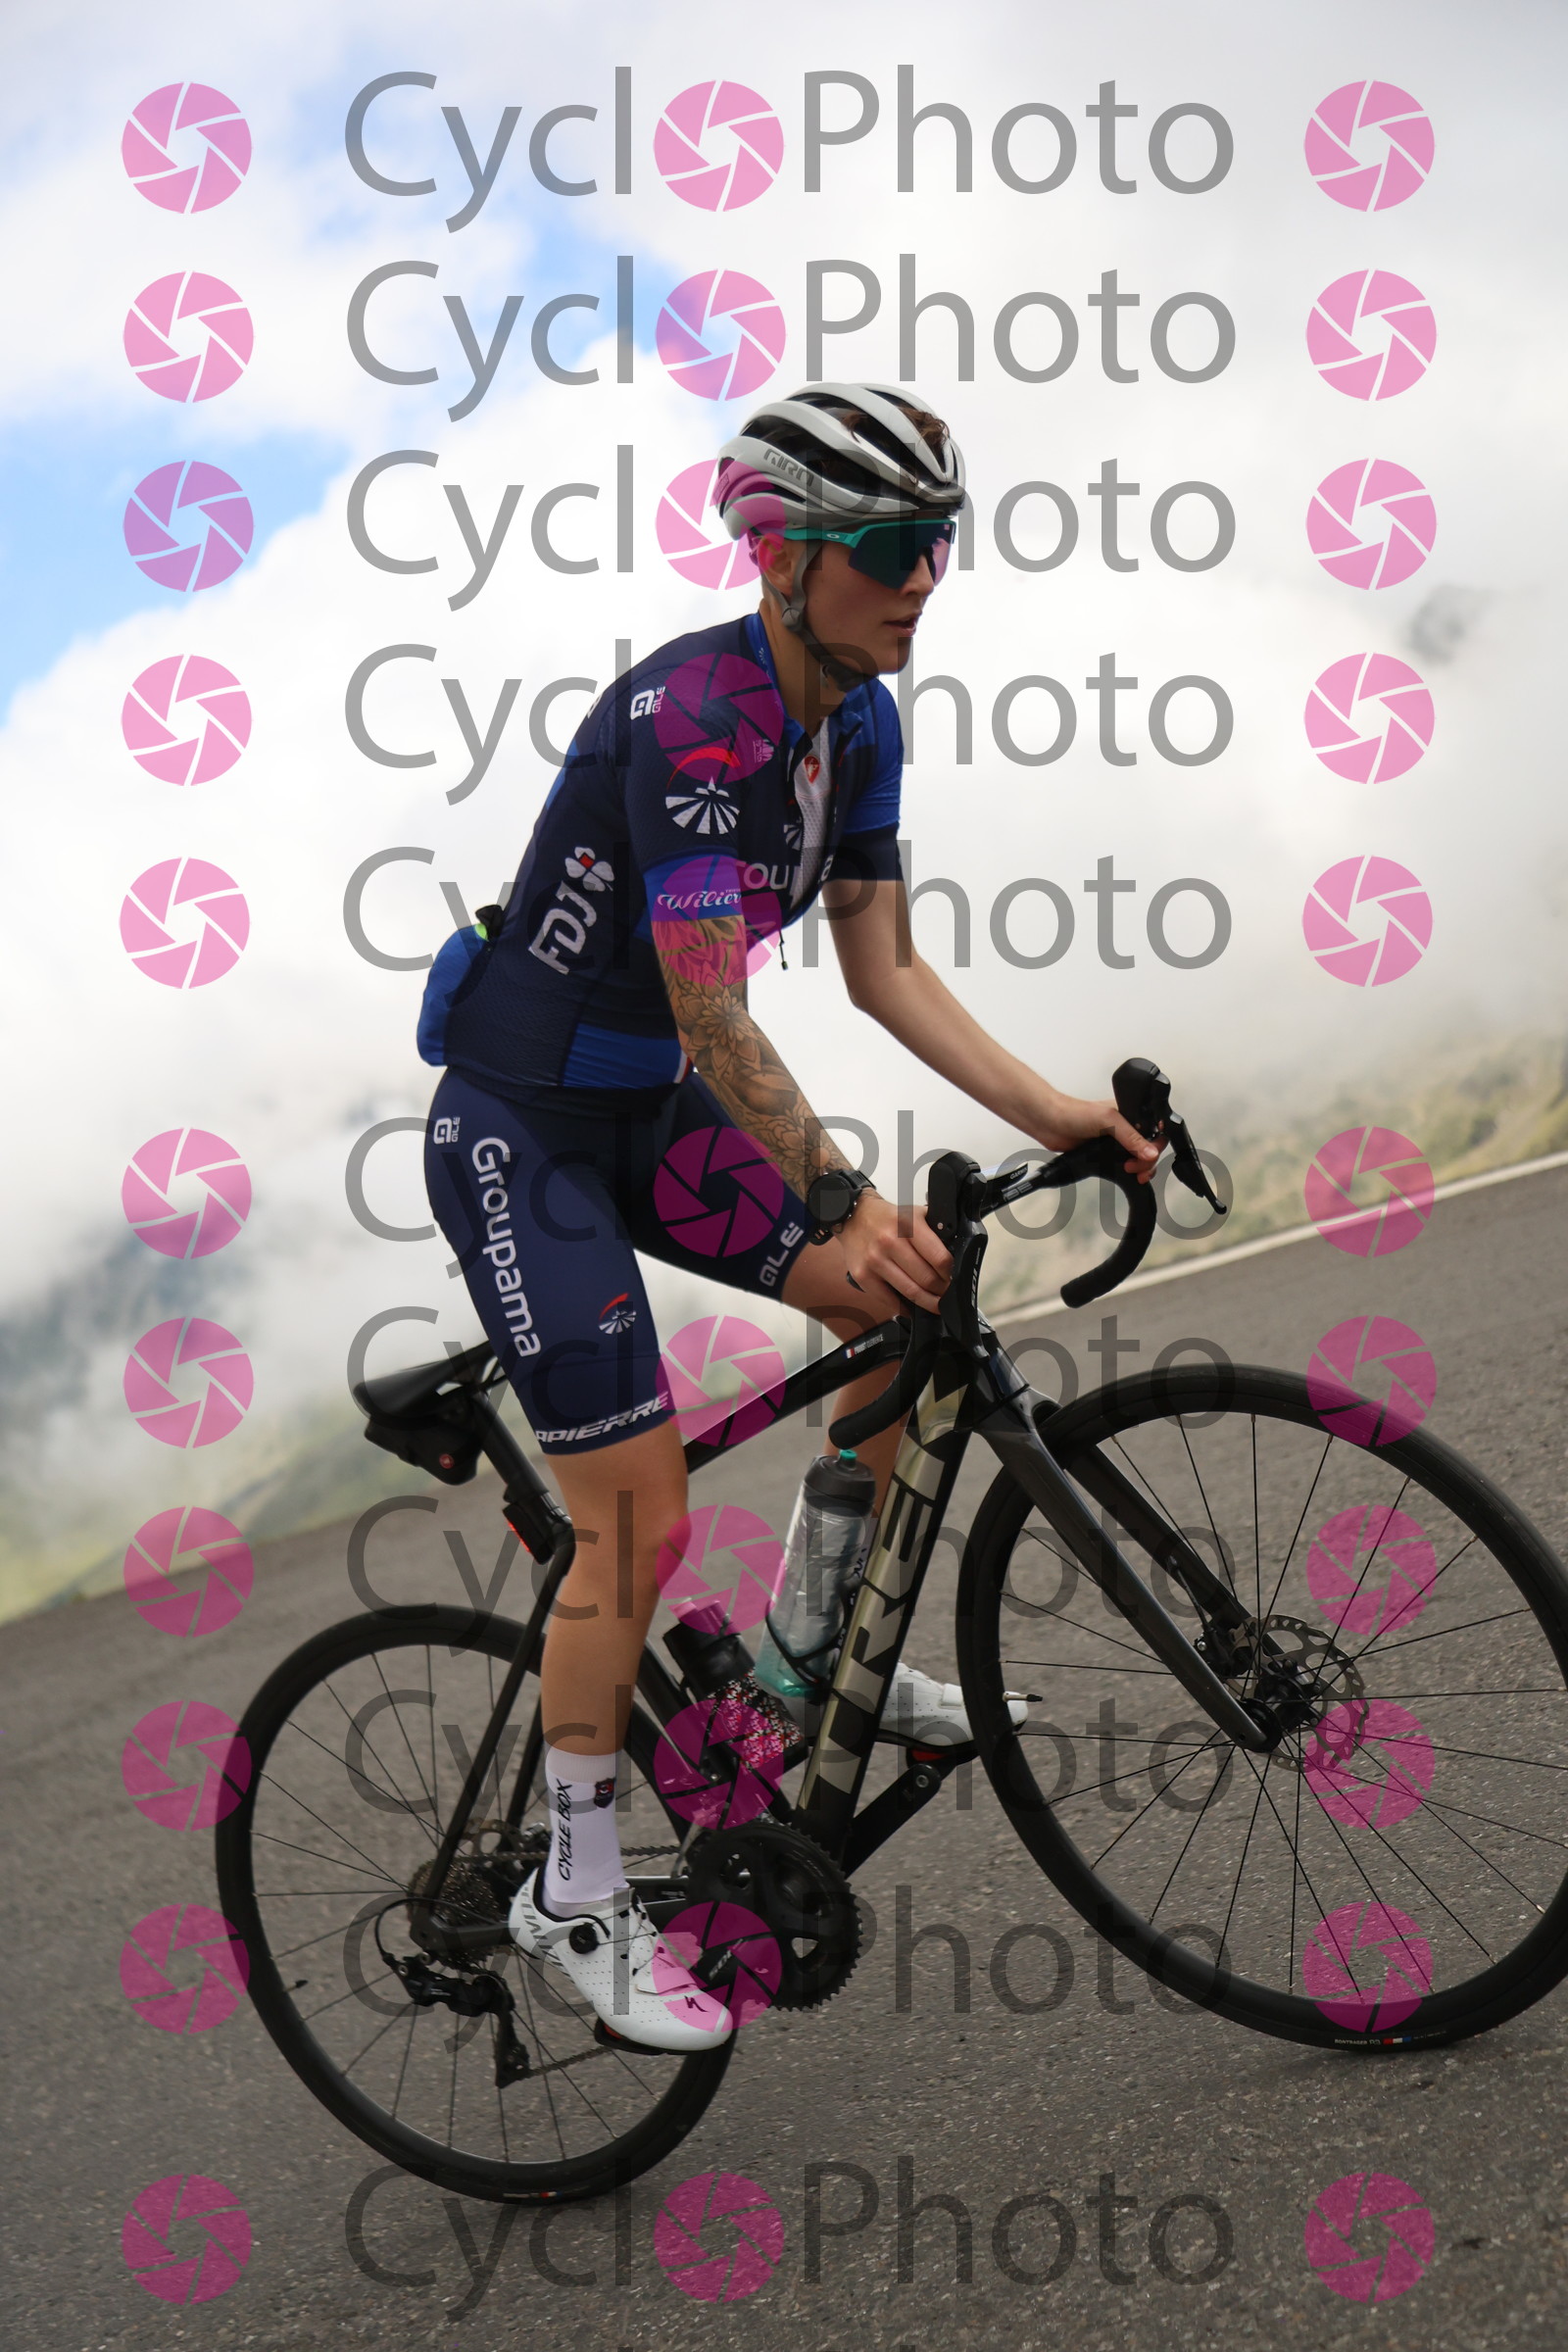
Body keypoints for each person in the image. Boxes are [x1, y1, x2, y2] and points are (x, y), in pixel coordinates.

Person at [422, 382, 1158, 2051]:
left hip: (643, 1111)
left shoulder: (862, 722)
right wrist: (838, 1187)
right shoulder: (694, 720)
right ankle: (574, 1888)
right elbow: (711, 1014)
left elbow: (883, 966)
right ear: (783, 558)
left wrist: (1056, 1115)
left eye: (941, 543)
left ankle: (807, 1657)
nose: (923, 580)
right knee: (636, 1520)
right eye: (891, 547)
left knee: (904, 1312)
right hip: (526, 1129)